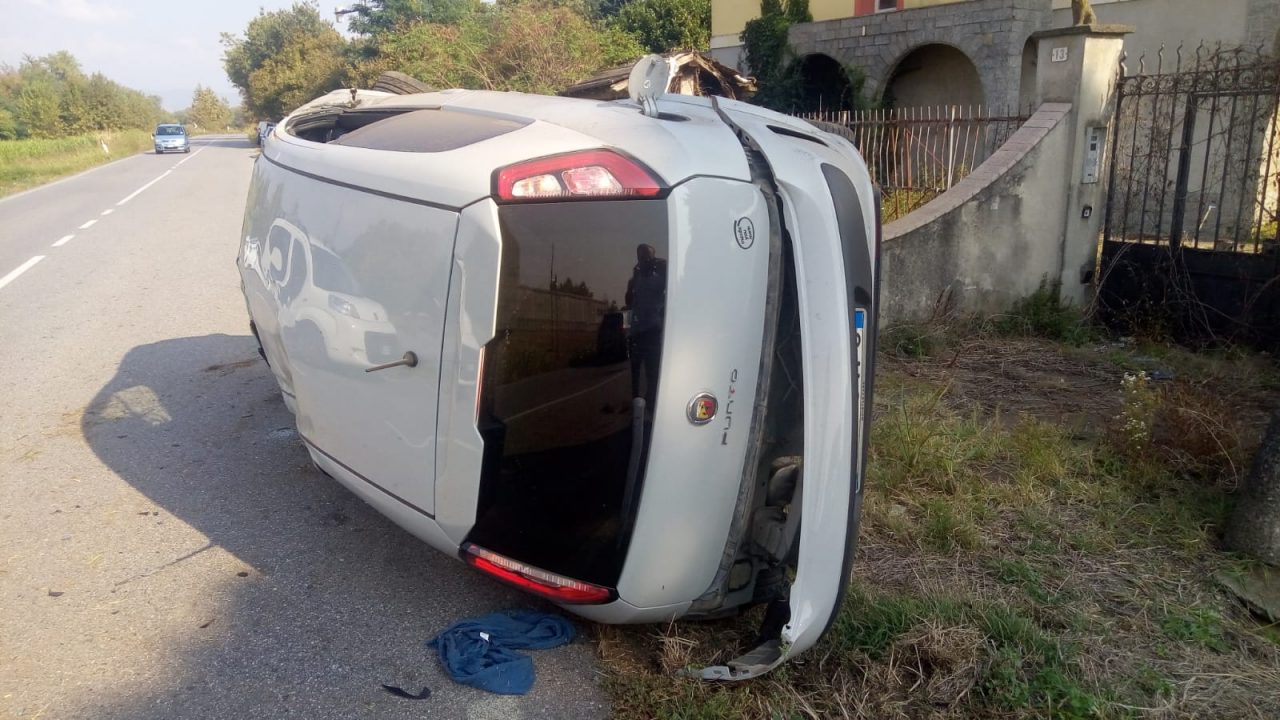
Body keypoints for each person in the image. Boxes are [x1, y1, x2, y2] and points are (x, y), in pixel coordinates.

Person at [625, 244, 667, 407]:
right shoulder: (635, 279)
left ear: (652, 259)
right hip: (636, 331)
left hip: (652, 330)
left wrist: (658, 264)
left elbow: (669, 273)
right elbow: (628, 301)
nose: (643, 260)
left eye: (646, 257)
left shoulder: (659, 278)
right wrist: (632, 283)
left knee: (652, 370)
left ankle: (650, 401)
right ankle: (636, 401)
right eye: (640, 257)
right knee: (635, 369)